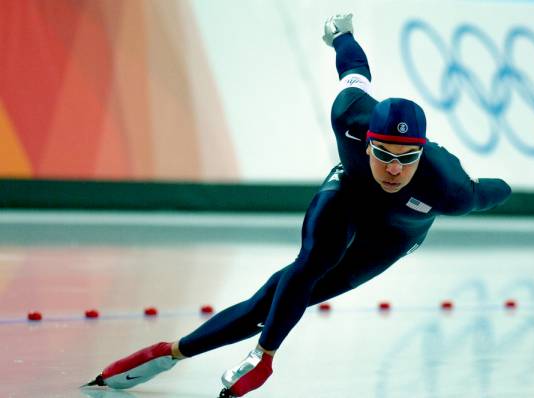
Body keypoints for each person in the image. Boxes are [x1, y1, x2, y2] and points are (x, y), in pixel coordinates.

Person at [82, 14, 511, 397]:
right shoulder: (350, 117)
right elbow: (355, 71)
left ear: (422, 154)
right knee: (306, 267)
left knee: (281, 301)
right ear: (365, 143)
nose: (394, 169)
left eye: (407, 159)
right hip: (348, 196)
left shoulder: (448, 186)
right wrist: (342, 34)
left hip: (393, 236)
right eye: (384, 154)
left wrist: (509, 187)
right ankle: (204, 355)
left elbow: (489, 193)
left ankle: (226, 352)